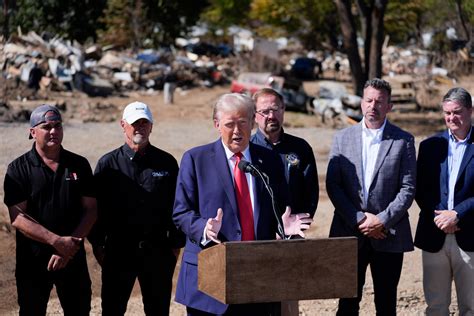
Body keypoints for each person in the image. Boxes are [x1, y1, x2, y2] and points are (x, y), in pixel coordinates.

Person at [173, 93, 313, 316]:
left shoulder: (269, 160)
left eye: (243, 123)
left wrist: (282, 229)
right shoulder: (195, 159)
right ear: (217, 125)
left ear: (252, 122)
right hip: (211, 276)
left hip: (258, 276)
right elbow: (181, 212)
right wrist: (204, 228)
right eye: (230, 124)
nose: (237, 131)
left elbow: (280, 209)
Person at [326, 78, 416, 315]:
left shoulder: (403, 140)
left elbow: (407, 188)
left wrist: (381, 220)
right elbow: (333, 185)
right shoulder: (342, 138)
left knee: (386, 304)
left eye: (379, 101)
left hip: (388, 233)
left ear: (389, 106)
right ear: (361, 103)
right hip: (349, 231)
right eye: (368, 100)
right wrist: (359, 219)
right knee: (347, 303)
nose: (372, 106)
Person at [90, 101, 185, 315]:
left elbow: (177, 205)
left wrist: (175, 246)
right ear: (123, 125)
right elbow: (95, 209)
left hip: (158, 252)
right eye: (135, 123)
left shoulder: (167, 163)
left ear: (151, 126)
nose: (139, 127)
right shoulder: (107, 165)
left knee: (158, 310)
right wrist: (98, 246)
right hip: (118, 252)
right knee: (113, 309)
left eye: (145, 123)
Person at [3, 104, 97, 316]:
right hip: (33, 262)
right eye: (46, 126)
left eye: (58, 126)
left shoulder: (78, 165)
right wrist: (56, 242)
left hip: (72, 258)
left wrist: (68, 246)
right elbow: (17, 218)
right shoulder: (18, 169)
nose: (54, 131)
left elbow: (91, 210)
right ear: (32, 132)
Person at [414, 87, 474, 315]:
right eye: (447, 113)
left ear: (470, 111)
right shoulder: (430, 146)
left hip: (470, 235)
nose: (451, 118)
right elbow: (420, 188)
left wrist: (457, 214)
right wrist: (441, 217)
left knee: (470, 307)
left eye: (457, 112)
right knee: (436, 306)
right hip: (434, 234)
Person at [251, 88, 318, 219]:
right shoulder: (247, 149)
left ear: (283, 110)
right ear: (254, 115)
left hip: (293, 231)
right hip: (257, 233)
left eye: (275, 109)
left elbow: (311, 193)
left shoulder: (301, 148)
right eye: (264, 112)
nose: (271, 116)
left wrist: (300, 223)